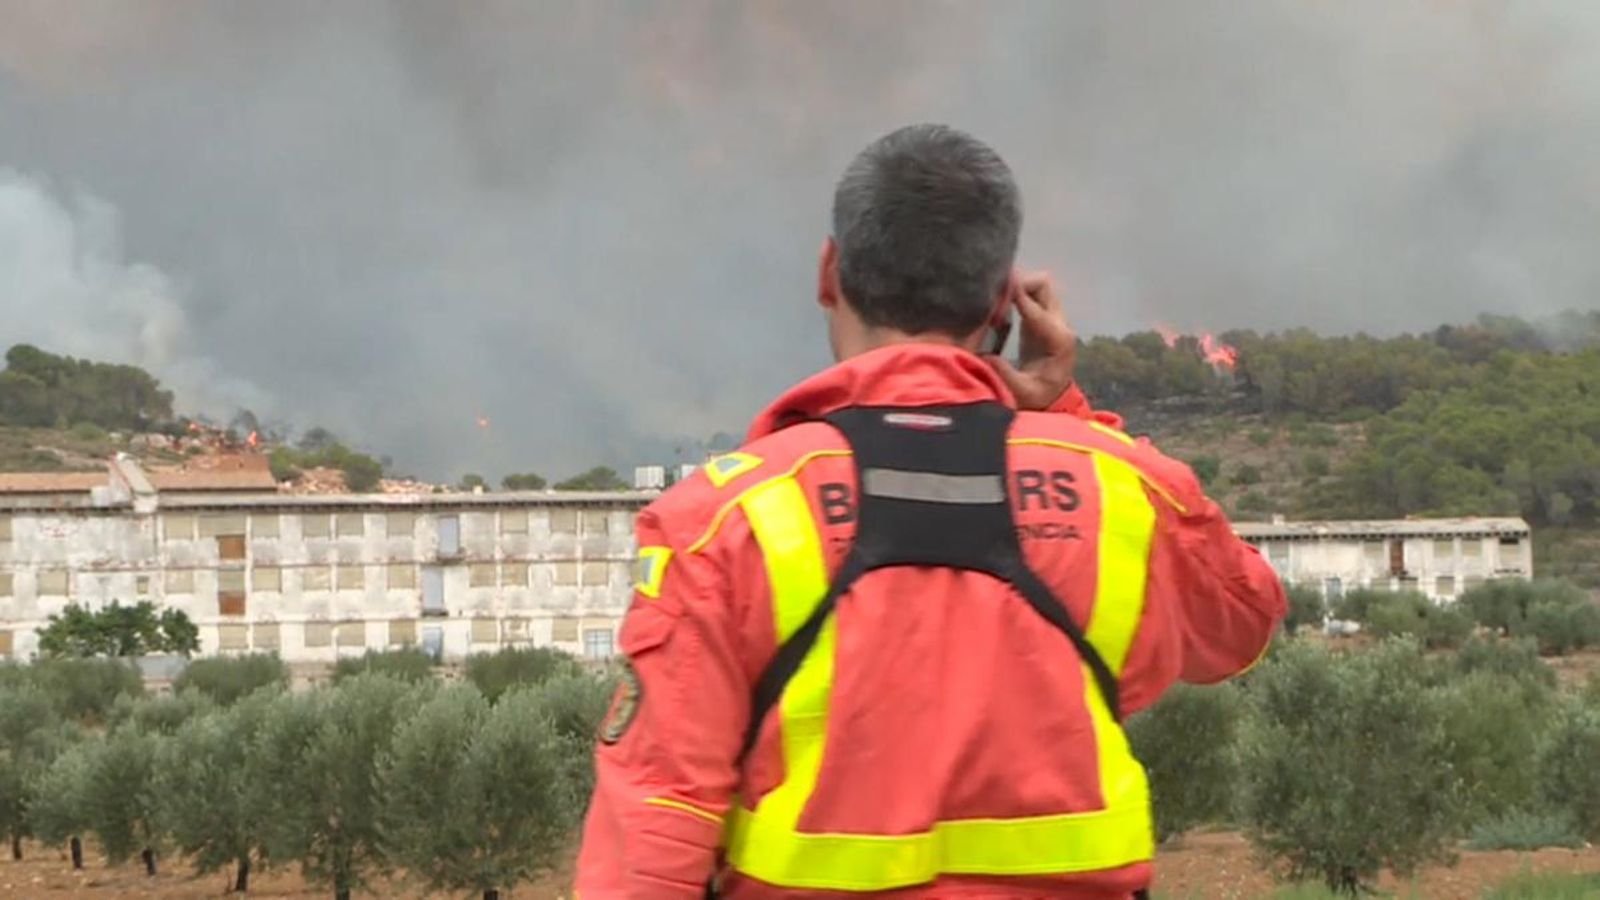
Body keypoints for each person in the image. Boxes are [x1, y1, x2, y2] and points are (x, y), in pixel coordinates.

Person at [573, 123, 1286, 899]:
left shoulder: (722, 522)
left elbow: (653, 837)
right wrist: (1067, 413)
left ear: (828, 273)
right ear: (1004, 301)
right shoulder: (1124, 495)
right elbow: (1241, 628)